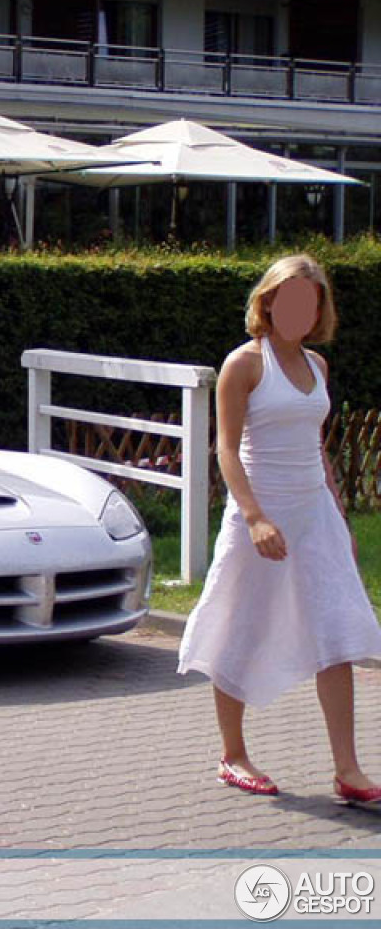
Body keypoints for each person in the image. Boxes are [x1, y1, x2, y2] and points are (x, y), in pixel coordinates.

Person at [178, 254, 381, 803]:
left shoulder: (318, 366)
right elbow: (225, 448)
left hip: (314, 515)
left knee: (335, 632)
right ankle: (234, 755)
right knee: (238, 624)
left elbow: (316, 446)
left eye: (309, 302)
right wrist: (255, 516)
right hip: (258, 516)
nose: (298, 311)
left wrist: (338, 513)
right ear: (267, 301)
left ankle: (349, 770)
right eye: (287, 299)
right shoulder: (243, 364)